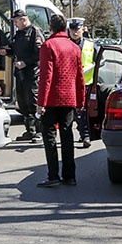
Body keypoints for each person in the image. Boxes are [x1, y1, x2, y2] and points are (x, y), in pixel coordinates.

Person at [36, 14, 84, 188]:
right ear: (65, 28)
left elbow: (46, 77)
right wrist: (81, 101)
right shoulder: (74, 47)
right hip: (69, 99)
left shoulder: (48, 46)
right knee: (67, 136)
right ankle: (70, 176)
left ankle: (53, 175)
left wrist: (40, 103)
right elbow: (80, 77)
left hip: (51, 99)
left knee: (49, 137)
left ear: (50, 27)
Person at [10, 9, 45, 142]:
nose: (15, 24)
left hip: (32, 73)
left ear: (24, 20)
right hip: (20, 73)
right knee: (23, 103)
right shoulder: (18, 34)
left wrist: (26, 62)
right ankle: (29, 130)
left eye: (16, 21)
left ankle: (39, 131)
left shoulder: (35, 32)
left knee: (33, 102)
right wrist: (6, 50)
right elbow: (14, 48)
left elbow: (40, 54)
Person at [68, 18, 96, 149]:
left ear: (83, 29)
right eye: (72, 30)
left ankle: (85, 135)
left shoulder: (91, 45)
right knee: (75, 111)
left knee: (83, 110)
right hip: (70, 82)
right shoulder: (66, 44)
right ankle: (83, 133)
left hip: (87, 82)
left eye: (77, 29)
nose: (75, 32)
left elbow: (100, 61)